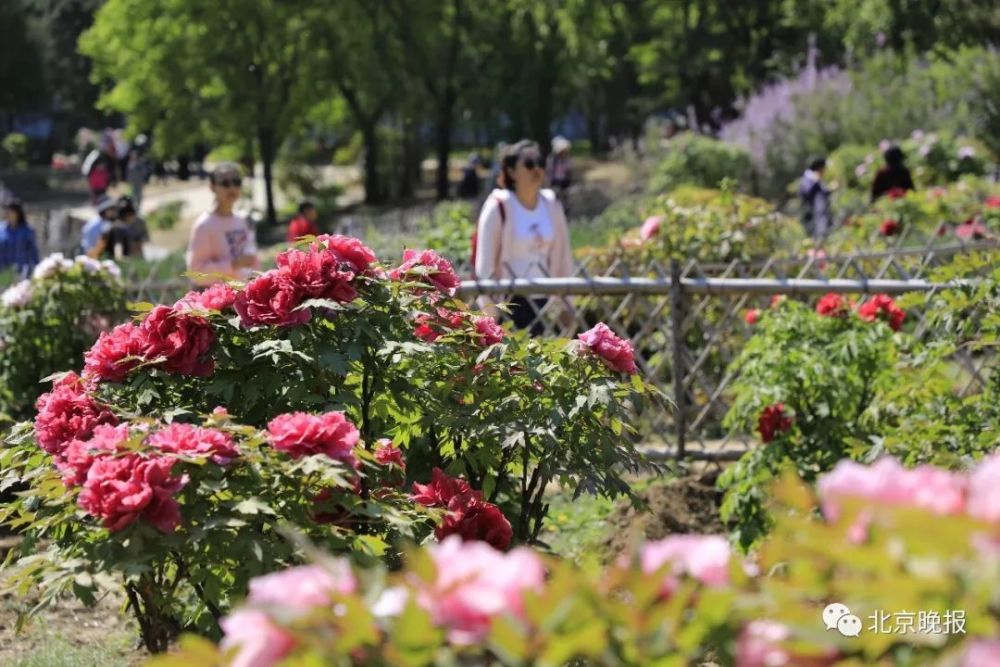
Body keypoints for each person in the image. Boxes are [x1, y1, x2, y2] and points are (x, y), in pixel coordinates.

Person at [474, 139, 574, 335]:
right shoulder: (498, 206)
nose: (536, 169)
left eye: (540, 163)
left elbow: (563, 256)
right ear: (511, 172)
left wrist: (567, 304)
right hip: (509, 304)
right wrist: (489, 313)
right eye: (529, 164)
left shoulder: (551, 204)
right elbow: (484, 266)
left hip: (545, 303)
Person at [186, 163, 259, 285]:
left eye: (236, 182)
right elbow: (195, 272)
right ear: (212, 187)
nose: (232, 188)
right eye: (225, 183)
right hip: (220, 300)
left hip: (246, 293)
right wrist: (232, 265)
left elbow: (251, 259)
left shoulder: (243, 219)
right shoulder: (204, 225)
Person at [0, 199, 39, 279]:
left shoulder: (28, 230)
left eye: (9, 212)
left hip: (21, 273)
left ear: (17, 213)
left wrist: (37, 270)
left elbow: (33, 253)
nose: (7, 214)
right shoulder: (1, 229)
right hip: (3, 273)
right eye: (6, 211)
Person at [798, 157, 832, 241]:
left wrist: (829, 190)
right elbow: (806, 193)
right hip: (811, 214)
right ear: (819, 168)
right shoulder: (808, 178)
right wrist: (816, 182)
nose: (824, 171)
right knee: (812, 237)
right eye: (824, 168)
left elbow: (822, 193)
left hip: (820, 215)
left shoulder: (816, 179)